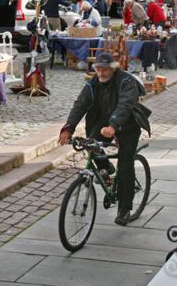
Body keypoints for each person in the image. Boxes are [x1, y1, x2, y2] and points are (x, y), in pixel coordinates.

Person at [58, 52, 143, 226]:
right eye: (98, 69)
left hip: (127, 124)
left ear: (112, 69)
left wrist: (113, 126)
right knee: (90, 143)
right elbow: (80, 104)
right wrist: (68, 128)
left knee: (125, 164)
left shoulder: (126, 81)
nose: (101, 73)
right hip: (102, 121)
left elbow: (125, 105)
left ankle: (124, 209)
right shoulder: (93, 84)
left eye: (104, 69)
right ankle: (106, 167)